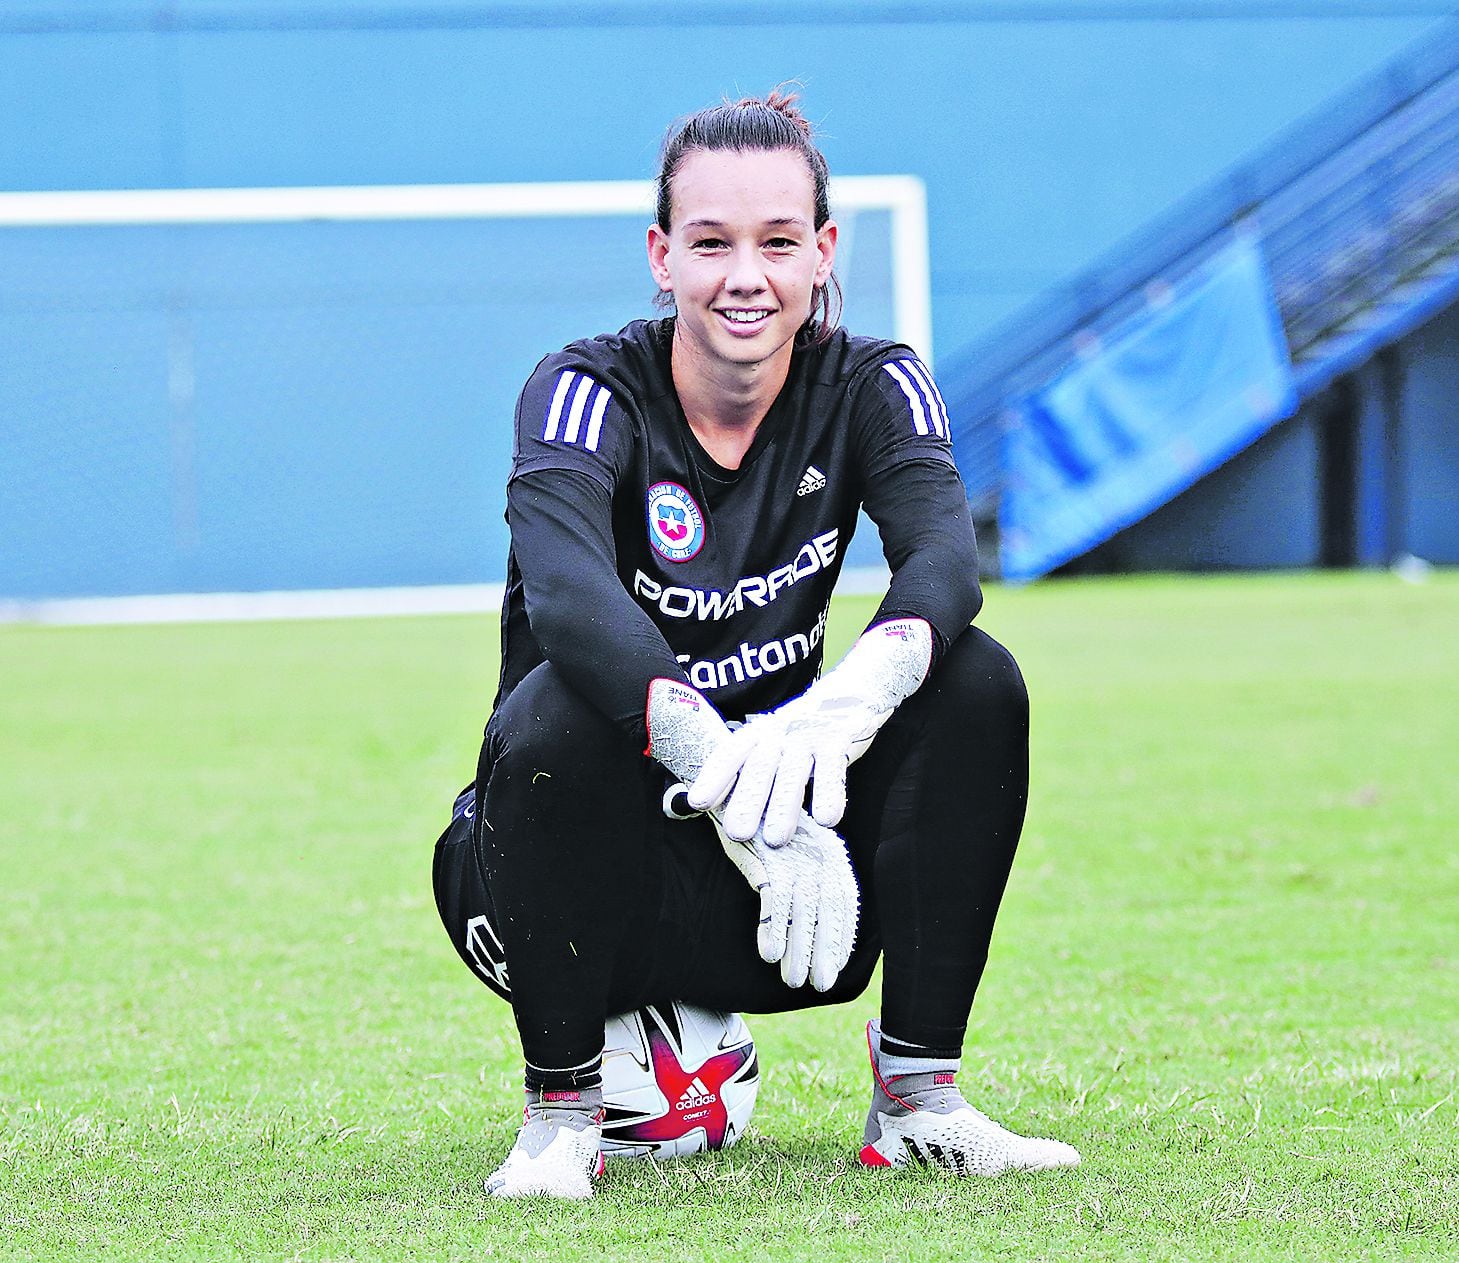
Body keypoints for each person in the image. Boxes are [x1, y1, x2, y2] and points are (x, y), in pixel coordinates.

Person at [432, 90, 1080, 1199]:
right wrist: (719, 767)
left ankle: (919, 1098)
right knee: (553, 709)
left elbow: (942, 561)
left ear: (822, 252)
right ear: (660, 256)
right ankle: (560, 1121)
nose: (746, 274)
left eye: (779, 242)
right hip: (564, 878)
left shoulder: (875, 381)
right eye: (711, 242)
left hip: (791, 886)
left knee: (976, 679)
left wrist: (839, 711)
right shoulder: (583, 389)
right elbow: (571, 599)